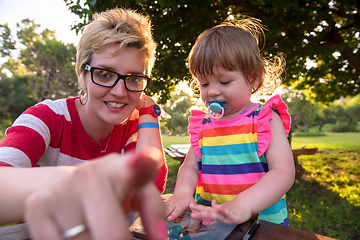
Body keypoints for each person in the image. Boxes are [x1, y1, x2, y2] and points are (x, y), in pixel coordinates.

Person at [0, 7, 168, 239]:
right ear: (83, 73)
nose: (120, 91)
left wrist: (150, 112)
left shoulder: (136, 124)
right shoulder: (45, 117)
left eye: (134, 79)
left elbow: (148, 188)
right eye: (105, 74)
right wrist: (69, 183)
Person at [165, 18, 295, 226]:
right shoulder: (204, 126)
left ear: (253, 78)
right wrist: (182, 192)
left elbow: (283, 172)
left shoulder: (264, 120)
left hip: (261, 226)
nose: (213, 91)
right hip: (211, 223)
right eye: (204, 84)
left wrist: (244, 203)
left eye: (224, 81)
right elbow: (190, 166)